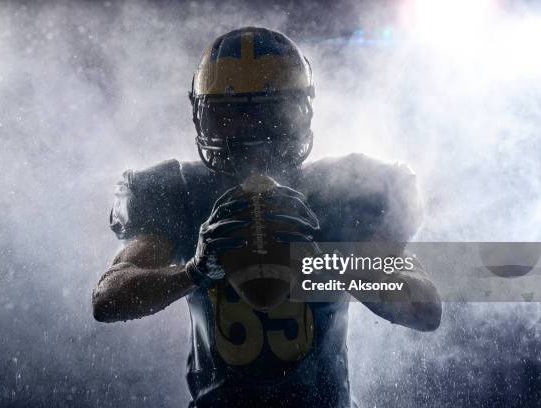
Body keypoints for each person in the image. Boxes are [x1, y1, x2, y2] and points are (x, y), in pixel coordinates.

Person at [92, 26, 441, 408]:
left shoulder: (341, 190)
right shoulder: (181, 191)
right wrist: (193, 271)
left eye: (267, 114)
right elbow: (108, 298)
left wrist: (323, 261)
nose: (251, 136)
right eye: (231, 116)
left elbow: (424, 306)